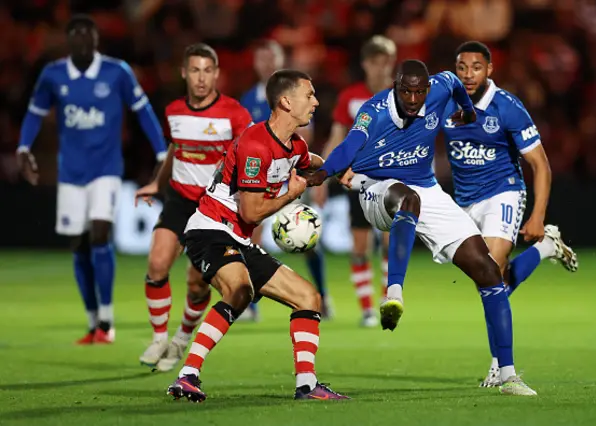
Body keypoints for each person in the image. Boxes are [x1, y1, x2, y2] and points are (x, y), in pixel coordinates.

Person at [306, 59, 537, 396]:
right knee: (407, 200)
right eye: (405, 91)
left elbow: (457, 86)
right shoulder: (375, 110)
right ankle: (394, 292)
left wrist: (468, 111)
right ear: (395, 87)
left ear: (426, 88)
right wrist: (324, 173)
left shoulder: (441, 85)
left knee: (488, 270)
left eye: (418, 92)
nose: (413, 99)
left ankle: (507, 375)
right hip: (378, 186)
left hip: (428, 188)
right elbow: (349, 146)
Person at [166, 69, 348, 402]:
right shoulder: (255, 145)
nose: (316, 102)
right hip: (210, 229)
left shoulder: (294, 144)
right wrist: (294, 193)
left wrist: (338, 170)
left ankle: (307, 385)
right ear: (286, 101)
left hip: (239, 238)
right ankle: (187, 375)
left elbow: (309, 162)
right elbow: (251, 212)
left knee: (309, 298)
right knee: (239, 289)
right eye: (309, 95)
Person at [16, 15, 167, 344]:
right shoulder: (54, 75)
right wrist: (24, 146)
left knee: (100, 233)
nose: (84, 41)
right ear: (69, 41)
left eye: (89, 36)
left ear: (97, 40)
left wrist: (160, 153)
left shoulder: (117, 72)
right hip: (71, 172)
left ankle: (108, 319)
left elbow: (142, 110)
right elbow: (35, 112)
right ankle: (92, 319)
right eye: (77, 36)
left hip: (107, 169)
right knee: (79, 244)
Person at [445, 41, 578, 387]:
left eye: (476, 67)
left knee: (490, 267)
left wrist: (536, 215)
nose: (468, 74)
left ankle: (499, 363)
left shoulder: (507, 107)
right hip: (464, 201)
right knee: (491, 282)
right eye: (462, 67)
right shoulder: (443, 103)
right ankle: (546, 247)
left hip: (503, 192)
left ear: (490, 70)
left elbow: (541, 166)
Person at [134, 43, 253, 371]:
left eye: (208, 70)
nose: (201, 78)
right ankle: (159, 337)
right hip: (180, 200)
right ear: (184, 73)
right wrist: (156, 183)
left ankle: (181, 339)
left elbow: (249, 155)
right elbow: (176, 148)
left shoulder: (235, 114)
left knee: (197, 284)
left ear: (217, 74)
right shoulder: (173, 110)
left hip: (215, 208)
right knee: (157, 264)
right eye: (195, 70)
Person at [239, 39, 331, 321]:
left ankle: (323, 297)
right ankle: (250, 303)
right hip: (260, 183)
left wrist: (309, 172)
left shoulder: (295, 96)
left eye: (272, 58)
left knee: (310, 239)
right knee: (251, 240)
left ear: (280, 61)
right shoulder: (247, 100)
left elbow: (307, 138)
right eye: (262, 58)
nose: (266, 63)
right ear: (255, 63)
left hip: (290, 174)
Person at [320, 35, 396, 327]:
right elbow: (337, 138)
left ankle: (385, 302)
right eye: (375, 61)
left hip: (392, 181)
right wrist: (324, 178)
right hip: (360, 180)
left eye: (386, 61)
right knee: (360, 247)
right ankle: (366, 309)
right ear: (365, 64)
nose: (381, 67)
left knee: (390, 245)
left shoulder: (400, 96)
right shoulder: (351, 96)